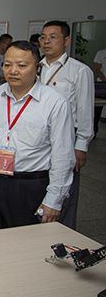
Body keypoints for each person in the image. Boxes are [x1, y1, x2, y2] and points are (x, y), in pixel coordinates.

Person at [0, 41, 76, 230]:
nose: (13, 71)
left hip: (29, 185)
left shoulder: (55, 103)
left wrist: (54, 200)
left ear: (37, 67)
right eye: (7, 65)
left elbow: (63, 156)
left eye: (22, 65)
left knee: (28, 242)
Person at [39, 21, 94, 230]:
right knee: (42, 185)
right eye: (43, 37)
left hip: (67, 136)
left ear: (67, 40)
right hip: (39, 136)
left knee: (65, 188)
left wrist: (81, 145)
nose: (47, 42)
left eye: (53, 37)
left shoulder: (79, 71)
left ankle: (63, 233)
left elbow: (85, 111)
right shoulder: (36, 67)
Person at [93, 43, 106, 135]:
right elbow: (98, 69)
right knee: (97, 108)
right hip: (102, 84)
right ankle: (94, 129)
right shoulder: (101, 53)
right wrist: (105, 80)